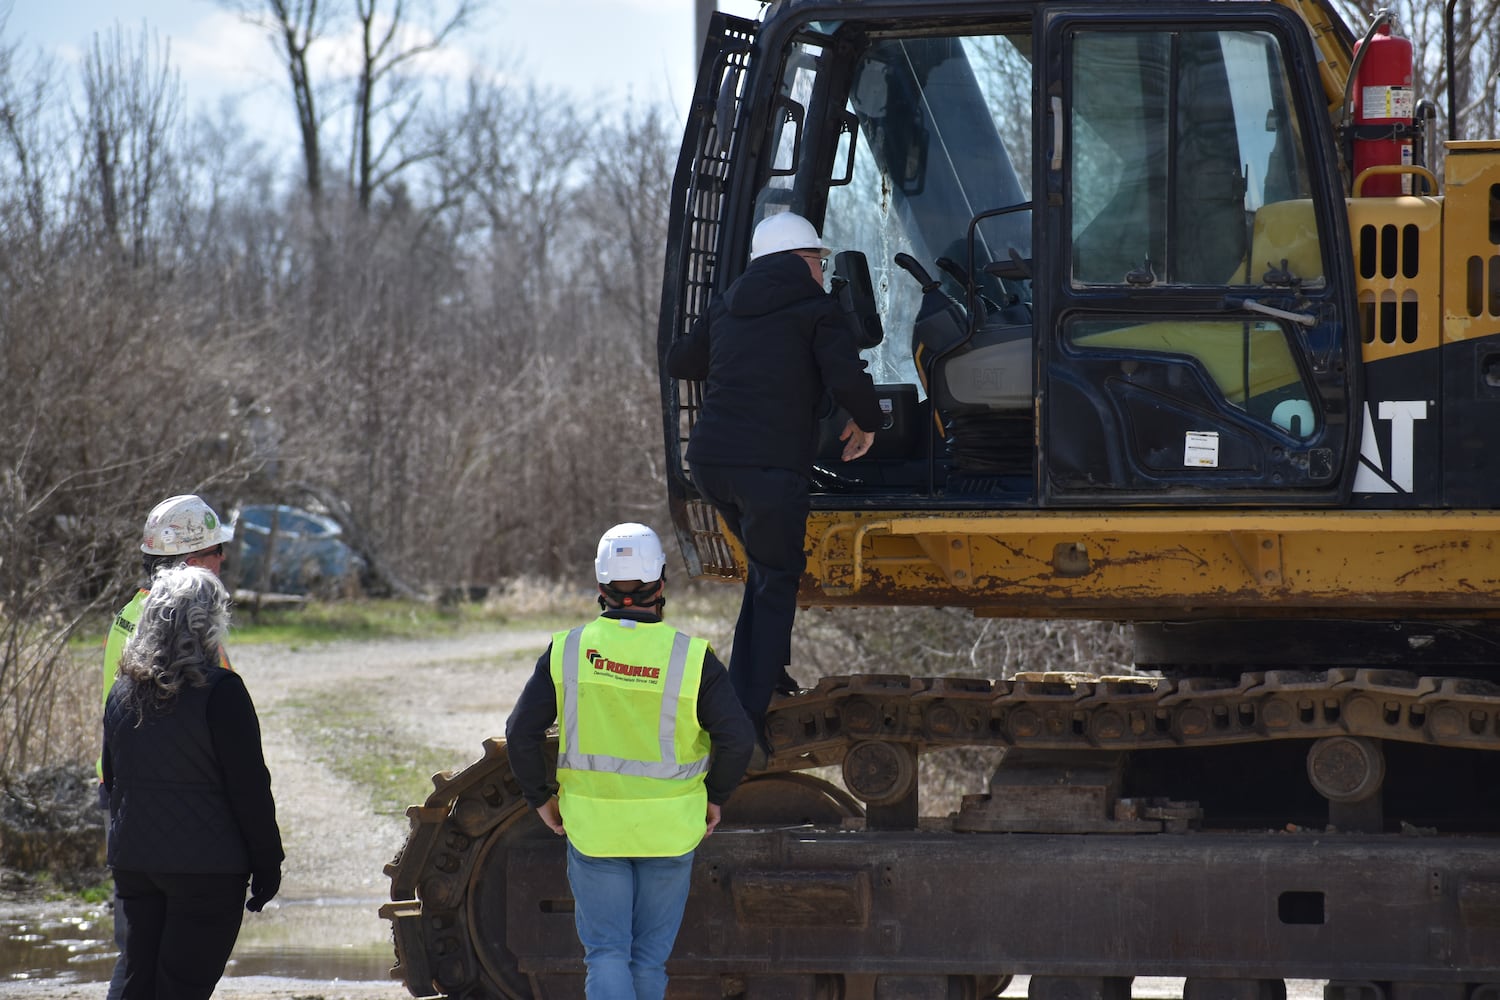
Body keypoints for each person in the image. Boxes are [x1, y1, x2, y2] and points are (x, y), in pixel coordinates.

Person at [505, 523, 754, 1000]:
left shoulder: (568, 650)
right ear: (660, 582)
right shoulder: (692, 658)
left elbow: (520, 732)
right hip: (670, 828)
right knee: (648, 960)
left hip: (594, 827)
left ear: (600, 585)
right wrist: (715, 797)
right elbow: (737, 738)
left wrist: (540, 798)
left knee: (606, 954)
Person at [665, 211, 884, 750]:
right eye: (819, 260)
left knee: (766, 577)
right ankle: (745, 722)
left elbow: (681, 361)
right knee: (776, 580)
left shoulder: (726, 306)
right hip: (767, 470)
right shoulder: (816, 309)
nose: (823, 270)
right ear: (800, 260)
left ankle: (763, 679)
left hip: (712, 464)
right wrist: (869, 421)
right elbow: (845, 376)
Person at [101, 564, 283, 1000]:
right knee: (183, 987)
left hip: (136, 864)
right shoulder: (222, 692)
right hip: (207, 871)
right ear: (210, 624)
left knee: (137, 983)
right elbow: (249, 789)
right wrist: (268, 862)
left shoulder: (121, 692)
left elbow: (112, 778)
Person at [101, 494, 235, 1000]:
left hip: (129, 793)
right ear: (191, 560)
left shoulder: (132, 612)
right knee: (149, 964)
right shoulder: (174, 618)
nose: (222, 560)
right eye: (216, 551)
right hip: (166, 798)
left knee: (140, 957)